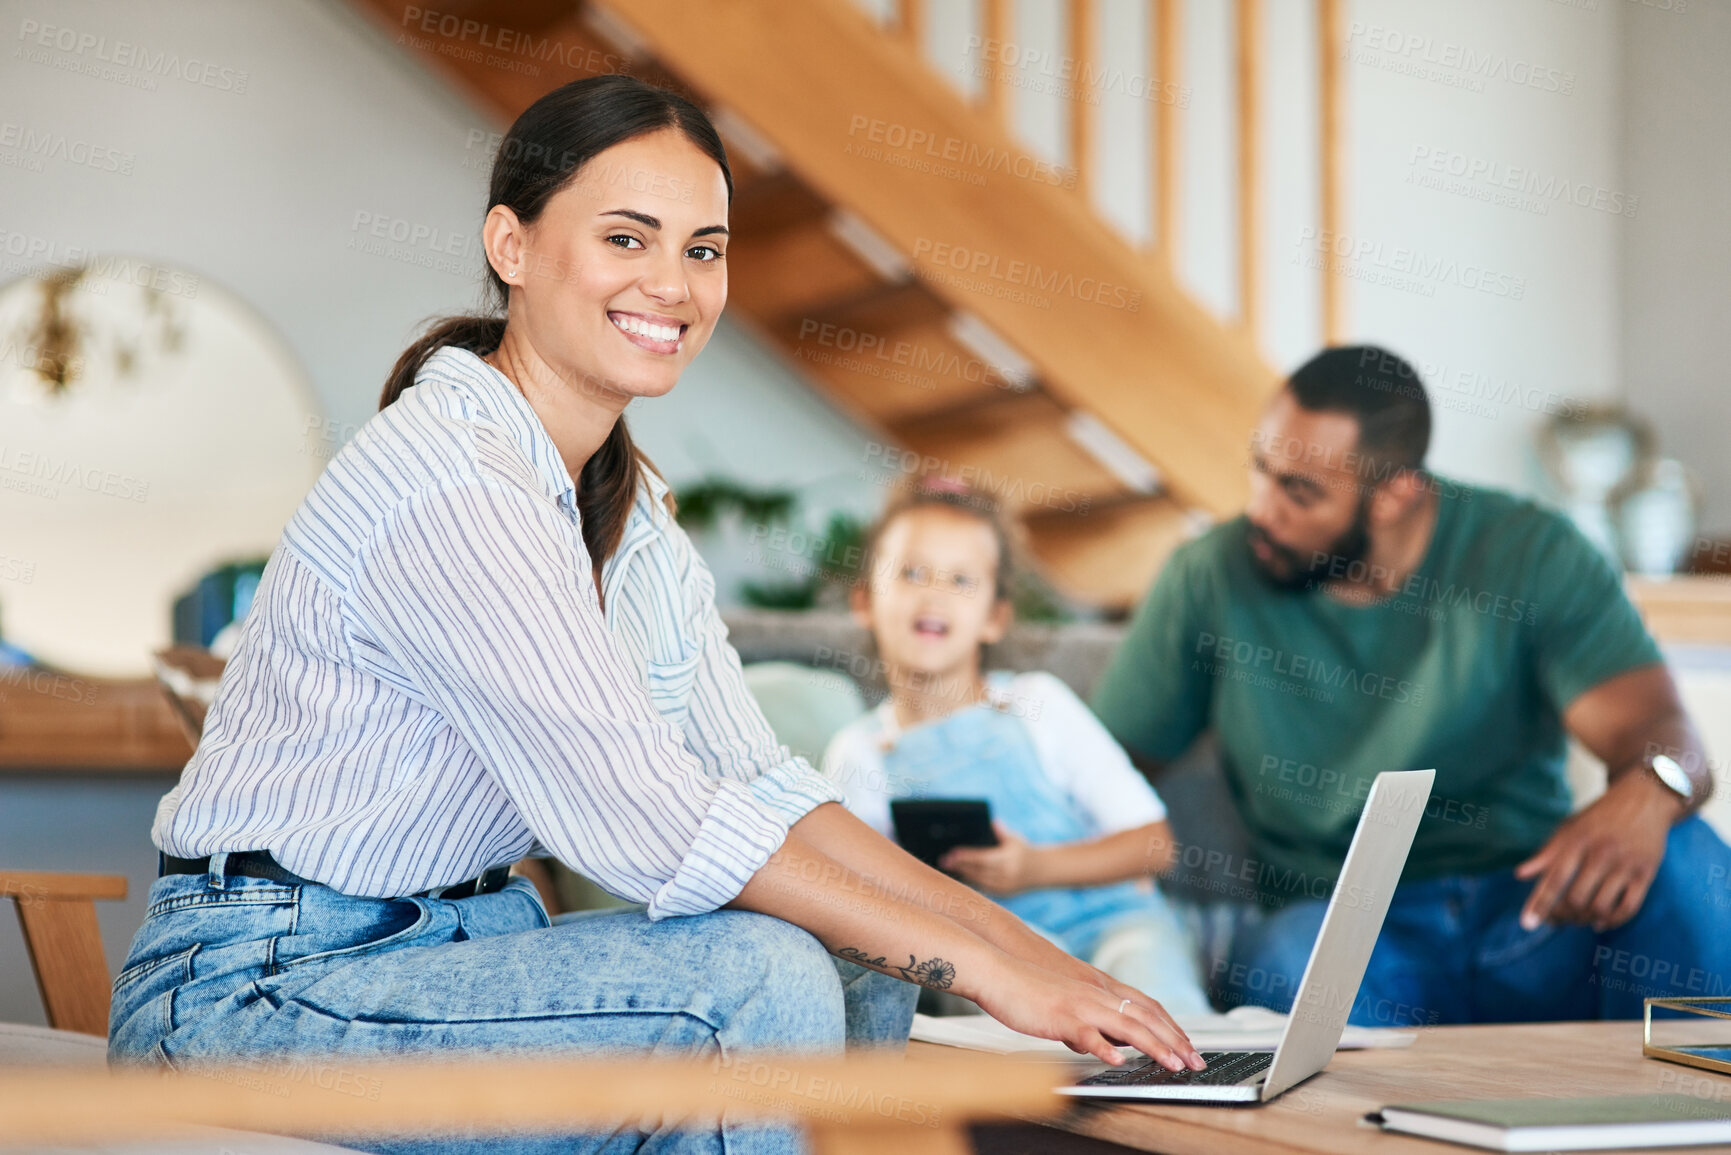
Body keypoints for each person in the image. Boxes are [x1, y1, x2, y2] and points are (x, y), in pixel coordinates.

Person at [105, 75, 1202, 1155]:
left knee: (857, 963)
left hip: (452, 956)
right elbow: (655, 820)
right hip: (254, 994)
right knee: (760, 975)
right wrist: (996, 976)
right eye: (626, 238)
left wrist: (1038, 959)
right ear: (512, 245)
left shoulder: (624, 505)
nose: (673, 285)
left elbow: (763, 786)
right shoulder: (452, 479)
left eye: (703, 249)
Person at [1091, 345, 1731, 1027]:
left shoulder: (1530, 551)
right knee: (1280, 960)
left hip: (1534, 912)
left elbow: (1662, 734)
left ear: (1396, 494)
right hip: (1346, 931)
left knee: (1689, 859)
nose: (1261, 509)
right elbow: (1099, 768)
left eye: (1299, 492)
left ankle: (1680, 1091)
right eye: (1261, 470)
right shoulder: (1208, 578)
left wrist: (1649, 790)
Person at [822, 486, 1213, 1015]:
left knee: (1151, 991)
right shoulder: (860, 753)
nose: (934, 595)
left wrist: (1033, 867)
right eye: (912, 573)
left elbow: (1153, 846)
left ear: (995, 617)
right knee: (1005, 988)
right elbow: (861, 899)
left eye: (962, 580)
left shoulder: (1038, 703)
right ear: (865, 601)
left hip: (1118, 925)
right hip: (990, 955)